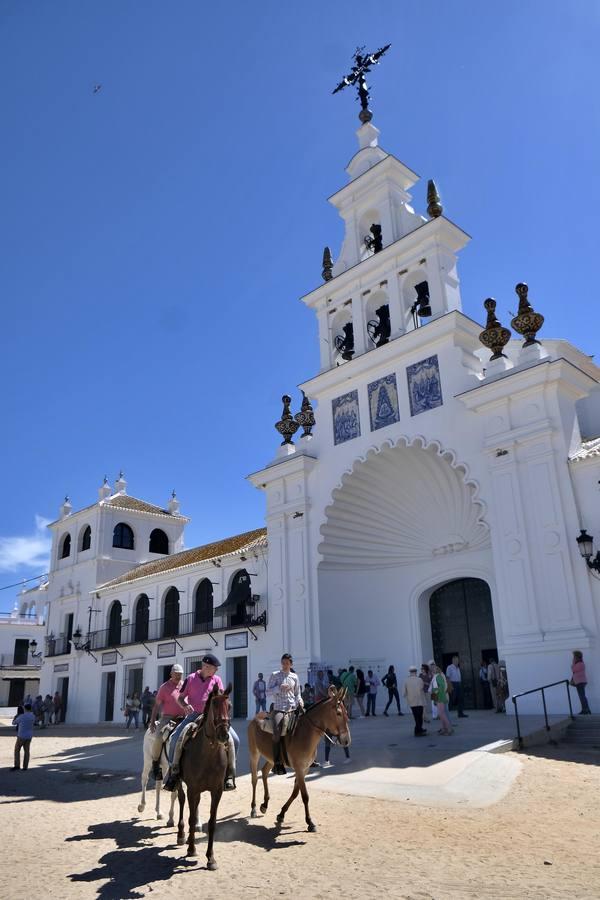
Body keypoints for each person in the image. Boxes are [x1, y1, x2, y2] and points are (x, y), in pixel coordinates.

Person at [163, 653, 238, 791]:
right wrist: (185, 706)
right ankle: (174, 773)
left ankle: (229, 774)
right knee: (175, 738)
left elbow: (221, 697)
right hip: (194, 715)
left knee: (235, 740)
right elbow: (180, 698)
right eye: (214, 668)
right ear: (205, 666)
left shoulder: (217, 680)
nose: (215, 670)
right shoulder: (190, 678)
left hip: (213, 718)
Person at [267, 652, 303, 775]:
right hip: (279, 708)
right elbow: (268, 692)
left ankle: (310, 758)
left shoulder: (294, 677)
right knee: (277, 731)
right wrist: (278, 688)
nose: (285, 665)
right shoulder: (275, 675)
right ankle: (277, 763)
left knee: (308, 727)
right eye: (283, 663)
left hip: (292, 708)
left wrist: (300, 701)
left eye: (287, 663)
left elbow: (297, 693)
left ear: (291, 664)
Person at [149, 664, 184, 780]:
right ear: (171, 674)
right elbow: (156, 705)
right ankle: (155, 765)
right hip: (168, 718)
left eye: (180, 674)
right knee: (159, 737)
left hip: (184, 717)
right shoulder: (164, 687)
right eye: (176, 674)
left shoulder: (184, 685)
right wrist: (152, 721)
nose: (178, 676)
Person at [403, 665, 427, 736]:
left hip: (411, 701)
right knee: (419, 716)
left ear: (409, 672)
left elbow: (404, 693)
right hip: (419, 701)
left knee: (416, 716)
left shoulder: (406, 680)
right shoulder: (419, 679)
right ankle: (418, 731)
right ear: (416, 671)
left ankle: (418, 729)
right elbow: (422, 687)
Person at [11, 703, 35, 770]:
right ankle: (25, 766)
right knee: (27, 751)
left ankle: (17, 765)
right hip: (29, 736)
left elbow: (13, 723)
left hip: (21, 735)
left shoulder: (21, 716)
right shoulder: (33, 716)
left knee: (17, 750)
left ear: (25, 709)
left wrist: (16, 716)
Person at [430, 663, 452, 735]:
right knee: (441, 714)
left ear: (436, 670)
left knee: (442, 714)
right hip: (438, 696)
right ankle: (444, 729)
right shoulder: (435, 677)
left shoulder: (438, 676)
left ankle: (448, 729)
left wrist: (435, 692)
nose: (432, 670)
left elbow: (441, 686)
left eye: (434, 669)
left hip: (440, 696)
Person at [571, 650, 591, 715]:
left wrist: (573, 663)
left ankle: (586, 710)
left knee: (582, 696)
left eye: (574, 656)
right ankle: (585, 710)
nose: (573, 658)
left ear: (577, 656)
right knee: (582, 696)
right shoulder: (580, 663)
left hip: (580, 682)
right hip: (579, 682)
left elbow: (573, 669)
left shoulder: (580, 664)